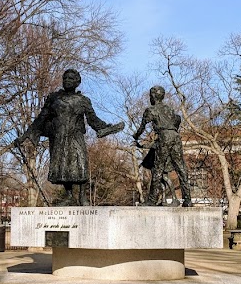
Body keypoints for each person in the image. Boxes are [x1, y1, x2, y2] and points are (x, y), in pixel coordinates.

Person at [18, 69, 124, 206]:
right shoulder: (53, 98)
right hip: (59, 138)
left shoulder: (83, 100)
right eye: (65, 78)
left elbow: (93, 120)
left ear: (77, 82)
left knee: (81, 164)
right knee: (63, 168)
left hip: (75, 137)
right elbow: (41, 118)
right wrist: (27, 134)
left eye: (71, 78)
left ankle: (82, 196)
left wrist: (106, 128)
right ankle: (68, 196)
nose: (67, 80)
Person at [133, 86, 192, 207]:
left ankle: (152, 200)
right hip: (175, 136)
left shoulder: (151, 110)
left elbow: (142, 127)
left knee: (158, 169)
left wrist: (136, 135)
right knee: (181, 167)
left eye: (150, 95)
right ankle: (188, 199)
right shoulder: (169, 109)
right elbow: (177, 119)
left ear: (153, 96)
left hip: (164, 137)